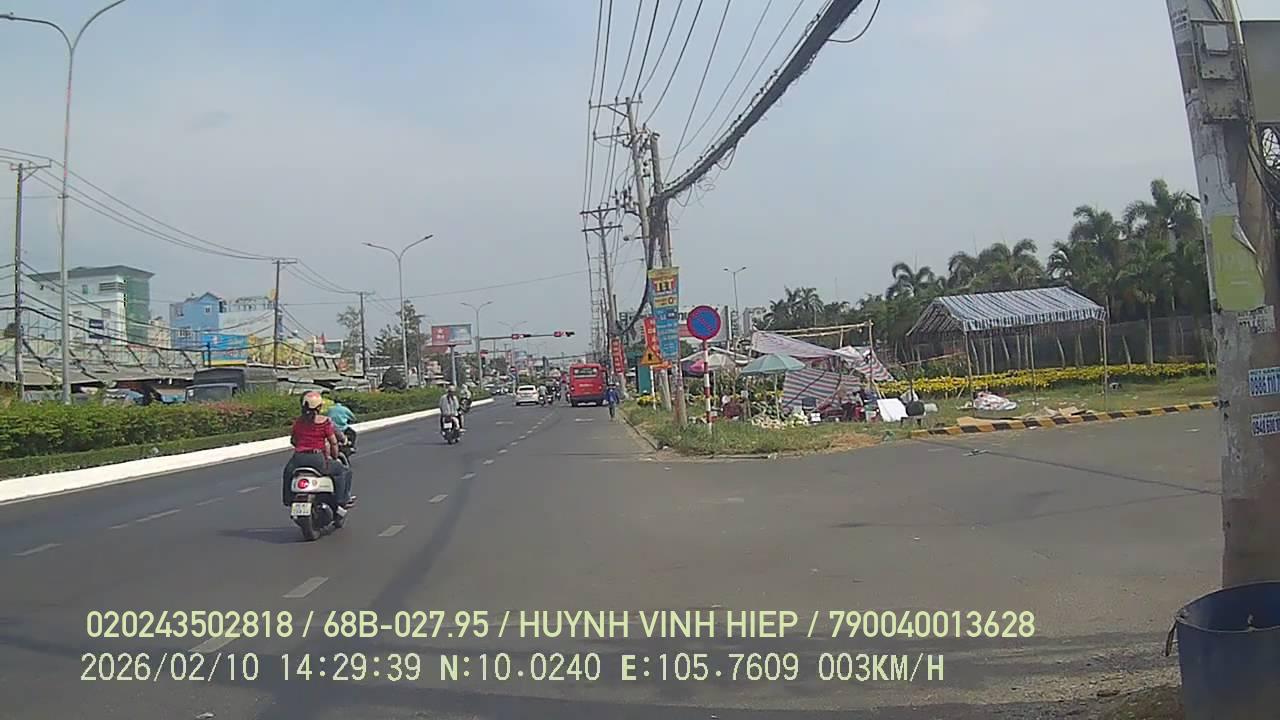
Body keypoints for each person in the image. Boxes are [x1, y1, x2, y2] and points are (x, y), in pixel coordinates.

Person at [282, 391, 353, 511]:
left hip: (298, 458)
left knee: (287, 473)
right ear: (319, 407)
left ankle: (288, 499)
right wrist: (334, 456)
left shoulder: (298, 422)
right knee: (343, 471)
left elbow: (293, 440)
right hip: (317, 459)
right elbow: (333, 442)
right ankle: (342, 500)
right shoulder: (324, 421)